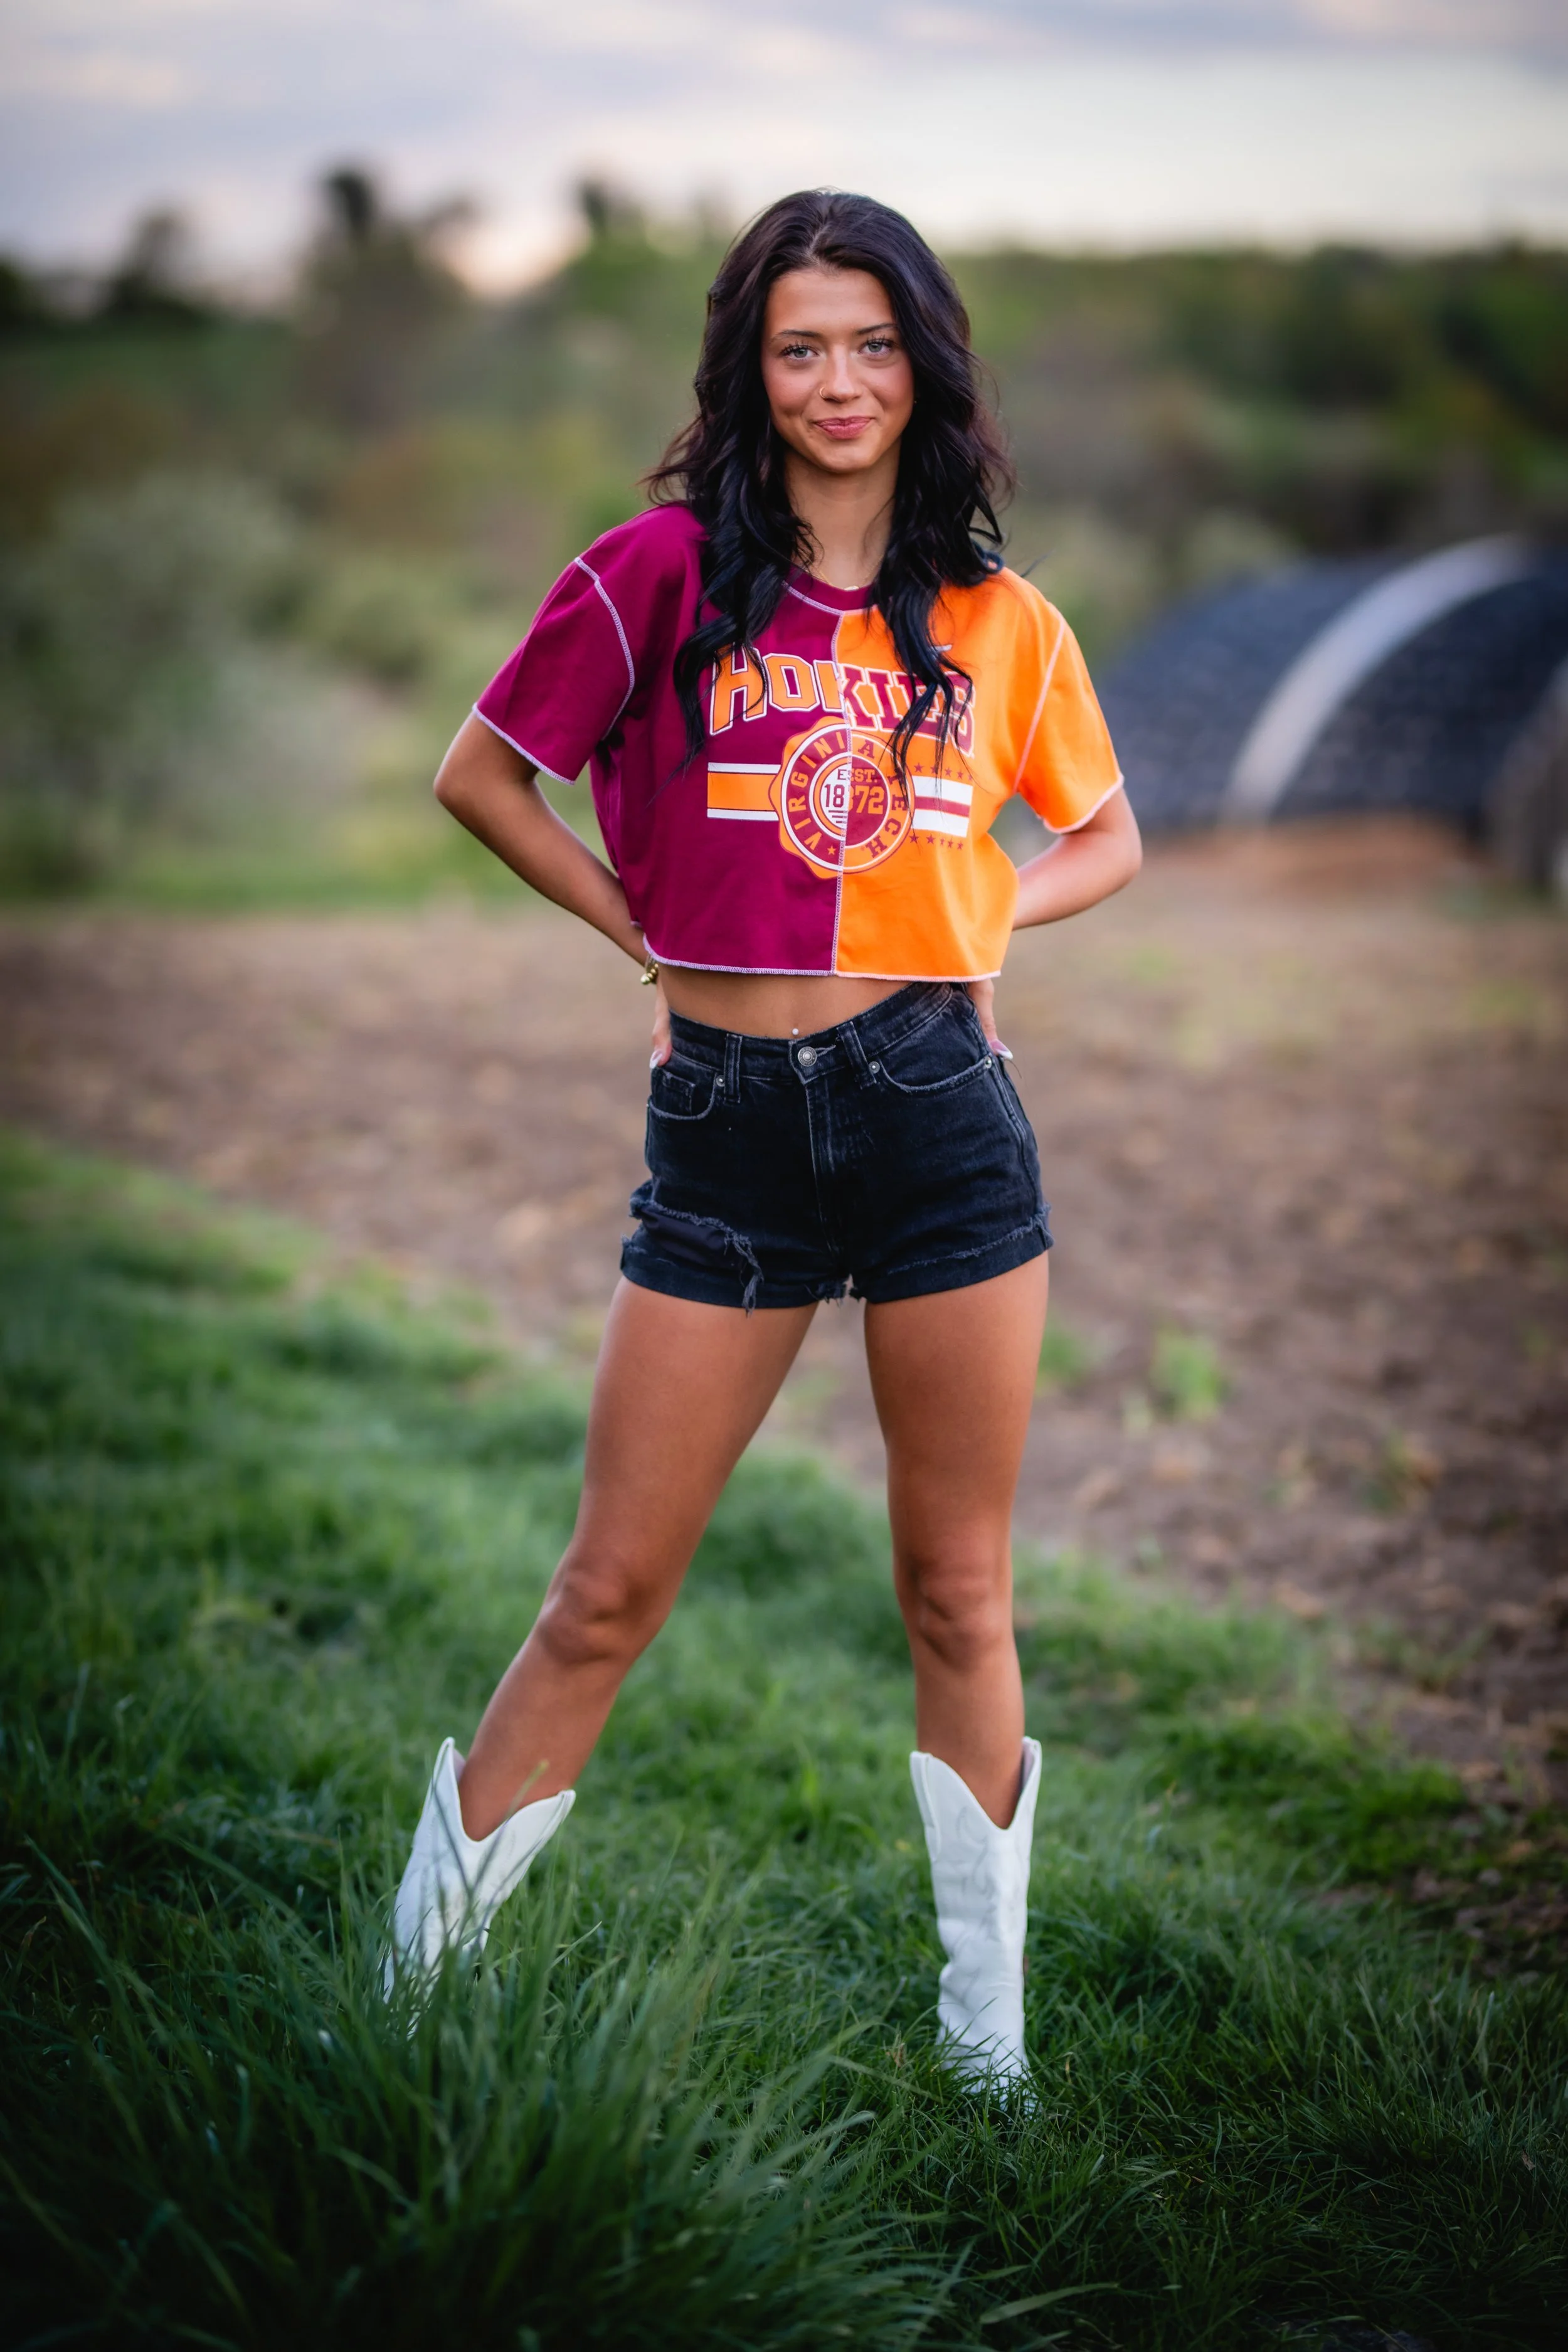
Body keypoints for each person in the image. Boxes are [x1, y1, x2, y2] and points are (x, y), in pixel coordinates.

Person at [385, 189, 1141, 2090]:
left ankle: (986, 2063)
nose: (838, 380)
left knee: (957, 1589)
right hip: (723, 1125)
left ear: (925, 368)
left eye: (873, 344)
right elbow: (482, 777)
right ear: (751, 371)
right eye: (800, 346)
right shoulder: (651, 574)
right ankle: (400, 2013)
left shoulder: (1000, 620)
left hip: (937, 1113)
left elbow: (1106, 837)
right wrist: (642, 932)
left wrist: (975, 916)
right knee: (602, 1593)